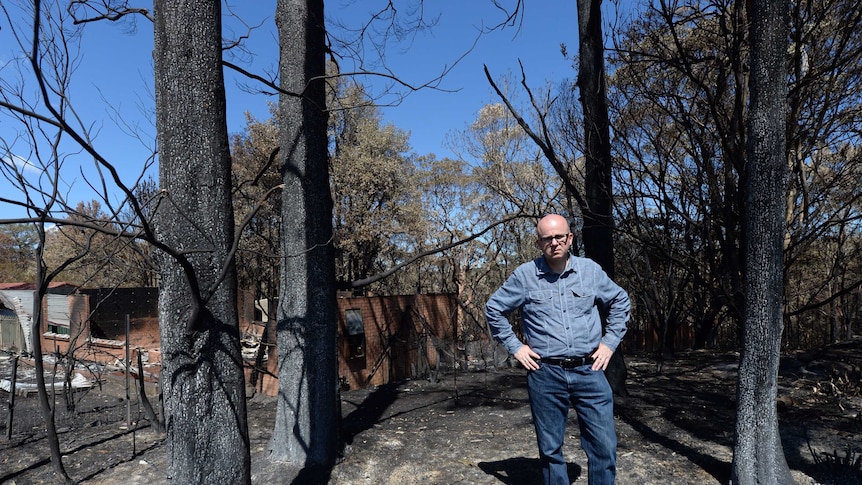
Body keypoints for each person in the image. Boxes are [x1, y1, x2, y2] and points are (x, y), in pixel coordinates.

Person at [485, 214, 630, 485]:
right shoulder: (525, 276)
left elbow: (620, 300)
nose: (554, 243)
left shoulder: (590, 271)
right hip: (545, 373)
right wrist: (516, 348)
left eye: (559, 237)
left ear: (570, 238)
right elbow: (494, 309)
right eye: (547, 238)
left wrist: (609, 344)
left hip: (590, 369)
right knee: (551, 450)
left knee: (603, 445)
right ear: (539, 243)